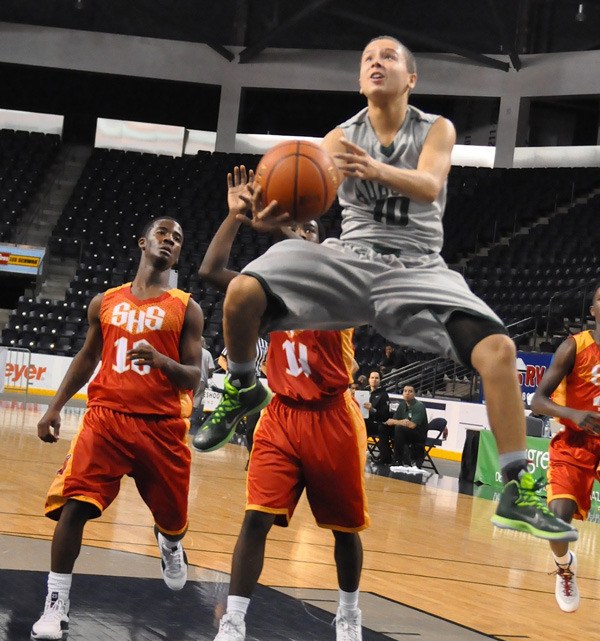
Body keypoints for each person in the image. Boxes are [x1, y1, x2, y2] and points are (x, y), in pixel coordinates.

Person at [194, 36, 576, 542]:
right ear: (360, 79)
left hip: (417, 267)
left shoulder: (435, 129)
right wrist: (257, 213)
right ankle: (243, 384)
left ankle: (514, 487)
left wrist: (373, 168)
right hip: (350, 258)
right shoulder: (336, 138)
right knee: (243, 291)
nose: (376, 62)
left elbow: (430, 185)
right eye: (367, 59)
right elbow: (300, 203)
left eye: (388, 56)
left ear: (410, 78)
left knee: (499, 351)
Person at [196, 166, 368, 641]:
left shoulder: (339, 284)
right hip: (281, 415)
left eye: (307, 228)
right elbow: (210, 273)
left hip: (333, 416)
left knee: (344, 529)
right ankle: (232, 627)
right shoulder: (264, 291)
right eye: (294, 229)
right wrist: (234, 217)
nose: (300, 235)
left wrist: (282, 225)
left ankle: (349, 617)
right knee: (254, 520)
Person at [31, 217, 204, 640]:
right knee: (74, 506)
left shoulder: (186, 307)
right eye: (163, 233)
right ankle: (56, 603)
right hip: (106, 419)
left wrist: (161, 362)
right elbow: (88, 358)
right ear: (143, 242)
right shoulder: (104, 301)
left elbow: (193, 376)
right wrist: (54, 407)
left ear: (178, 255)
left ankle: (169, 542)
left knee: (173, 520)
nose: (169, 241)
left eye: (177, 239)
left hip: (161, 427)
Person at [530, 283, 600, 612]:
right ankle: (565, 567)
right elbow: (538, 400)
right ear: (593, 310)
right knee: (556, 521)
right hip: (574, 443)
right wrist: (573, 413)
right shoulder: (573, 347)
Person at [383, 384, 428, 466]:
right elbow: (393, 420)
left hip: (418, 435)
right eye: (405, 391)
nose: (407, 393)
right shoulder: (402, 405)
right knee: (384, 428)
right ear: (402, 393)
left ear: (414, 394)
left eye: (410, 391)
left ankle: (398, 460)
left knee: (399, 428)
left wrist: (398, 422)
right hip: (405, 432)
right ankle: (385, 457)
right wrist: (402, 422)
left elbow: (412, 425)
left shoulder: (419, 406)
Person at [363, 369, 392, 462]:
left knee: (381, 428)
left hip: (378, 423)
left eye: (376, 378)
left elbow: (385, 415)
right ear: (369, 379)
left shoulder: (384, 395)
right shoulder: (364, 393)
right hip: (366, 422)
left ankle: (384, 456)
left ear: (380, 380)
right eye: (372, 378)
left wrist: (373, 410)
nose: (374, 380)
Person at [190, 336, 215, 434]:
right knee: (196, 401)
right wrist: (208, 375)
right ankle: (189, 418)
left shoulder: (190, 350)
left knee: (187, 398)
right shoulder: (207, 353)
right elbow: (211, 368)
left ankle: (184, 417)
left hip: (190, 377)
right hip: (201, 380)